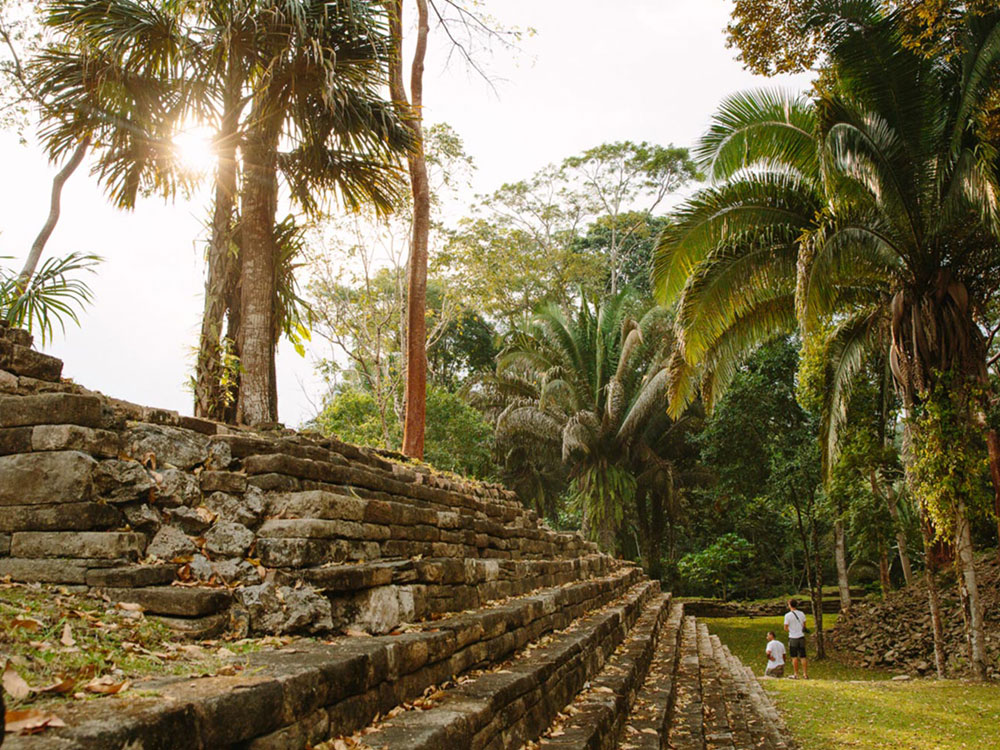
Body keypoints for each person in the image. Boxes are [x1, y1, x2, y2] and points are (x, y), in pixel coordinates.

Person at [783, 598, 808, 679]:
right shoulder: (802, 614)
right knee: (803, 656)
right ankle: (805, 674)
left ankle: (796, 674)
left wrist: (791, 630)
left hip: (793, 637)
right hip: (801, 636)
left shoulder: (787, 615)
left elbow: (785, 628)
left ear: (790, 605)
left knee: (794, 656)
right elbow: (804, 625)